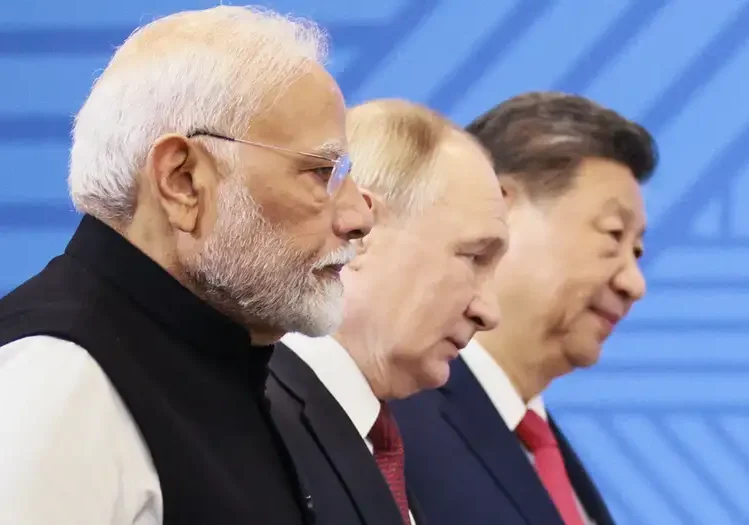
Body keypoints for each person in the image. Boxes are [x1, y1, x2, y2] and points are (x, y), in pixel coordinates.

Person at [0, 6, 373, 525]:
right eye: (320, 172)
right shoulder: (58, 383)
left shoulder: (233, 362)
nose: (358, 217)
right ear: (182, 182)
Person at [391, 92, 657, 525]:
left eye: (638, 250)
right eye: (613, 234)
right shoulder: (393, 420)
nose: (634, 283)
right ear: (499, 207)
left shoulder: (549, 455)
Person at [267, 99, 508, 525]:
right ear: (361, 230)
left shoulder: (390, 454)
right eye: (473, 257)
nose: (489, 313)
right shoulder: (251, 421)